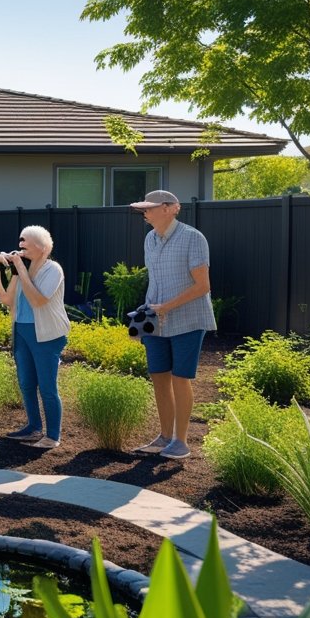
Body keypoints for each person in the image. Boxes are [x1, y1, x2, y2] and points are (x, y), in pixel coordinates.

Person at [129, 190, 215, 460]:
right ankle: (165, 436)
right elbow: (154, 282)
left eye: (150, 208)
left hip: (188, 320)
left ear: (169, 208)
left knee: (180, 378)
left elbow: (203, 286)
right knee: (158, 378)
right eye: (143, 208)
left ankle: (181, 441)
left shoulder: (193, 238)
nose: (145, 212)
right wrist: (142, 320)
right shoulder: (149, 239)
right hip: (156, 321)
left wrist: (167, 307)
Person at [0, 226, 70, 449]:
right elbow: (6, 299)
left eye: (26, 243)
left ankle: (52, 436)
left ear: (42, 247)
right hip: (22, 331)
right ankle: (33, 427)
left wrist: (19, 269)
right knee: (26, 383)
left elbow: (38, 300)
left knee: (46, 386)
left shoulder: (53, 269)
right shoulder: (22, 269)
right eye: (20, 242)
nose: (21, 246)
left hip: (46, 335)